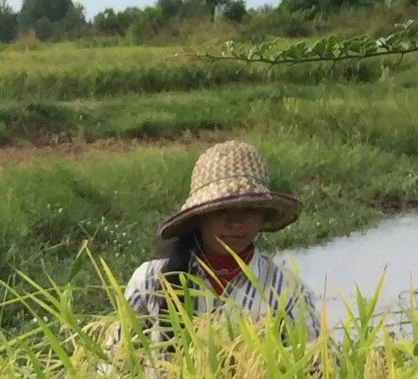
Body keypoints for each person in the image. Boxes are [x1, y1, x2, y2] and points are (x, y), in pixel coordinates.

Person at [123, 140, 319, 343]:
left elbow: (319, 367)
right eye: (221, 211)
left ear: (263, 216)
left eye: (249, 210)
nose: (235, 223)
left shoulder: (284, 290)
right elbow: (115, 363)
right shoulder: (151, 281)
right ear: (200, 217)